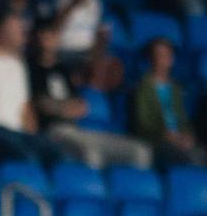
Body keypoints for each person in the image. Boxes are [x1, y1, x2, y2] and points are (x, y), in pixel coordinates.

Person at [28, 19, 151, 168]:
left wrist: (72, 107)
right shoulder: (31, 69)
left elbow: (81, 104)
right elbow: (40, 103)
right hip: (52, 132)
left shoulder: (63, 69)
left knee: (139, 151)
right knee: (90, 154)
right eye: (44, 36)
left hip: (76, 129)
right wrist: (63, 109)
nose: (48, 40)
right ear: (36, 38)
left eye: (52, 35)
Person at [0, 10, 64, 166]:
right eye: (17, 29)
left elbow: (25, 107)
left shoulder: (18, 65)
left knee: (56, 153)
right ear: (2, 32)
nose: (22, 33)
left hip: (17, 133)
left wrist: (32, 135)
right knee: (26, 157)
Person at [131, 38, 207, 167]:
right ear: (151, 58)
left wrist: (188, 135)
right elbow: (143, 123)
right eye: (158, 55)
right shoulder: (143, 87)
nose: (162, 59)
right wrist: (165, 135)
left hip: (177, 139)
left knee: (206, 157)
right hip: (157, 140)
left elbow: (183, 119)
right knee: (189, 159)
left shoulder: (175, 89)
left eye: (166, 55)